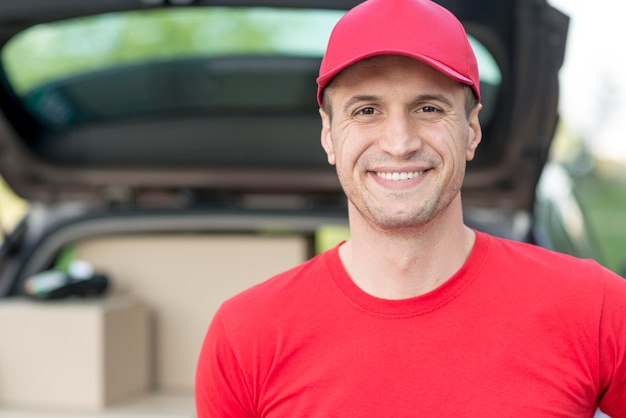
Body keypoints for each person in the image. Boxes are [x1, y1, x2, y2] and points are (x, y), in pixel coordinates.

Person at [195, 0, 626, 416]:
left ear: (471, 129)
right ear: (329, 135)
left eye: (428, 108)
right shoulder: (246, 336)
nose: (400, 142)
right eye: (366, 110)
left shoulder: (595, 307)